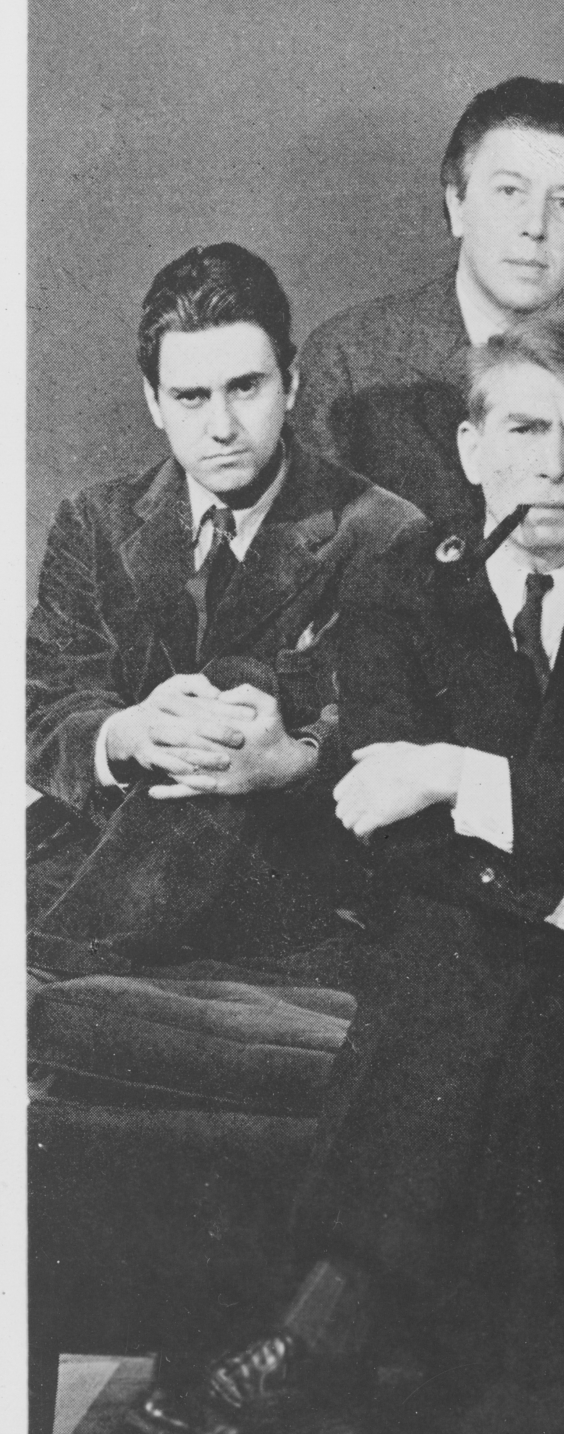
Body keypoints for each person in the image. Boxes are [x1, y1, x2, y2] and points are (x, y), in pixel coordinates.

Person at [127, 299, 564, 1434]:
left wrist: (462, 774)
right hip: (515, 931)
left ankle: (333, 1313)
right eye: (521, 429)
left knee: (474, 966)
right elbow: (376, 821)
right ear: (471, 447)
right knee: (490, 998)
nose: (550, 465)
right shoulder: (406, 583)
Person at [28, 242, 426, 970]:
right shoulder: (94, 522)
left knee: (239, 684)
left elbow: (401, 727)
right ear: (153, 402)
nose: (222, 427)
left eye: (245, 388)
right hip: (100, 859)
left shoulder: (383, 531)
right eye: (191, 397)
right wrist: (128, 732)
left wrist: (293, 762)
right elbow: (44, 708)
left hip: (289, 874)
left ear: (291, 385)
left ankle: (62, 966)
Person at [297, 76, 564, 550]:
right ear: (457, 204)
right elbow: (315, 564)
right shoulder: (348, 359)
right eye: (510, 192)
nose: (535, 227)